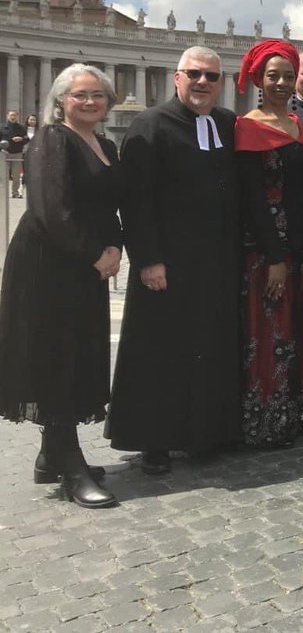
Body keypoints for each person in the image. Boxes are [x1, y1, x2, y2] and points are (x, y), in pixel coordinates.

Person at [106, 47, 242, 475]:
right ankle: (154, 440)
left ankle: (204, 434)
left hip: (216, 260)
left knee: (209, 345)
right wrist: (148, 260)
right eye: (194, 74)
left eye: (212, 76)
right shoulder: (149, 125)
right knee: (159, 351)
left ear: (222, 82)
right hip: (167, 262)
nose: (203, 82)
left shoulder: (226, 123)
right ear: (177, 78)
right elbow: (136, 201)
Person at [0, 64, 121, 508]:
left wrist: (115, 246)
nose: (89, 102)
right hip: (48, 262)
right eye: (79, 95)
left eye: (97, 95)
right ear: (60, 100)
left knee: (76, 351)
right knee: (56, 354)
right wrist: (96, 253)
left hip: (85, 263)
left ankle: (52, 455)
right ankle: (69, 466)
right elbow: (50, 210)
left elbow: (111, 203)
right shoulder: (51, 139)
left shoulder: (105, 144)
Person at [234, 40, 303, 447]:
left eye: (288, 75)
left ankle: (293, 414)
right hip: (267, 250)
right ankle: (265, 421)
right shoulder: (248, 126)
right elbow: (252, 199)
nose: (283, 83)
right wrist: (274, 256)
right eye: (274, 76)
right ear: (257, 79)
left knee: (293, 328)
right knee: (268, 331)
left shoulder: (296, 123)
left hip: (298, 246)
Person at [1, 109, 26, 197]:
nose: (13, 117)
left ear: (17, 117)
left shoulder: (21, 127)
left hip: (17, 152)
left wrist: (21, 139)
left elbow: (26, 138)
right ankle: (3, 193)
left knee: (16, 175)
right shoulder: (2, 127)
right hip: (5, 153)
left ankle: (15, 192)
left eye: (14, 115)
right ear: (7, 116)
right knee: (3, 175)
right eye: (11, 115)